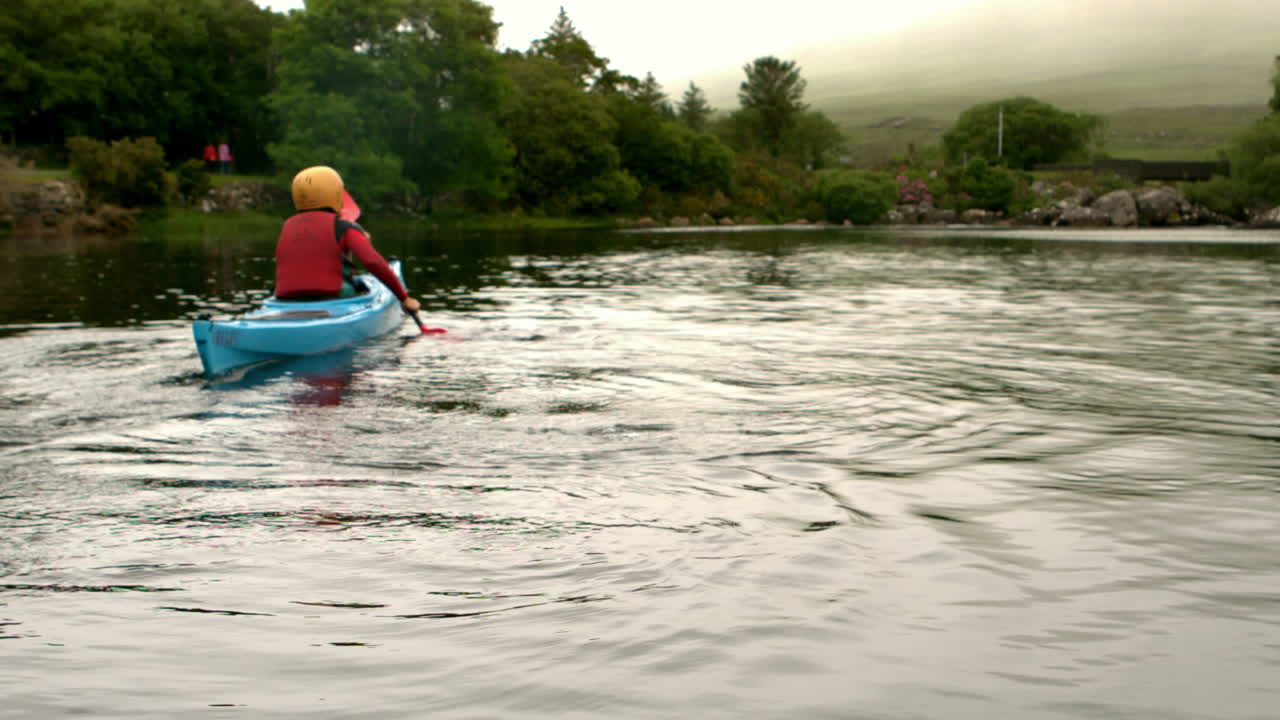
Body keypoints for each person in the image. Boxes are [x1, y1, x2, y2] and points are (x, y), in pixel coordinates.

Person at [275, 165, 421, 318]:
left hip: (285, 300)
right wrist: (404, 298)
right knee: (360, 285)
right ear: (336, 194)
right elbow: (372, 262)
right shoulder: (343, 227)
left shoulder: (287, 226)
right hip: (333, 297)